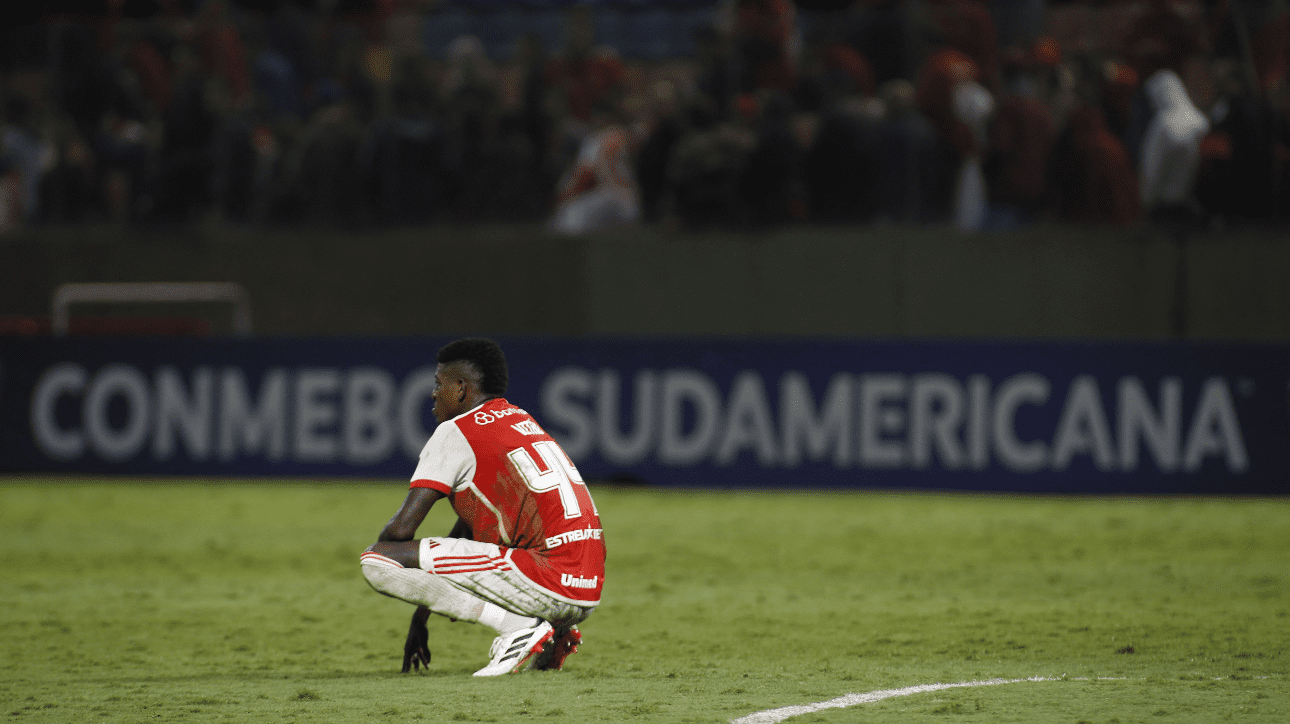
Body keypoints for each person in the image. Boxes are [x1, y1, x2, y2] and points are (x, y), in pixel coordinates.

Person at [360, 338, 605, 677]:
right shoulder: (519, 418)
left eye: (438, 383)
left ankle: (518, 627)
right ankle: (556, 632)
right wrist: (422, 613)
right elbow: (469, 530)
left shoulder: (455, 432)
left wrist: (389, 550)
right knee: (476, 550)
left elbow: (402, 531)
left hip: (545, 579)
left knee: (377, 560)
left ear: (460, 388)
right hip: (587, 587)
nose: (433, 393)